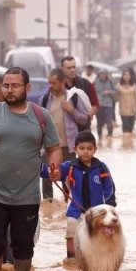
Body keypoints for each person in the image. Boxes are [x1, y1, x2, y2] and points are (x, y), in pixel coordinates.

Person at [0, 67, 62, 271]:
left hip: (27, 195)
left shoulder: (41, 116)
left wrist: (55, 167)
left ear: (27, 88)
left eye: (15, 86)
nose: (10, 90)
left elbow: (54, 148)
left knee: (23, 246)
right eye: (6, 86)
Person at [54, 130, 116, 263]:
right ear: (75, 149)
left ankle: (98, 259)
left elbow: (109, 187)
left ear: (95, 149)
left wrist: (110, 205)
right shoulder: (69, 167)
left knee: (99, 235)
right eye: (81, 148)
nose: (85, 151)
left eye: (89, 148)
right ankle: (71, 259)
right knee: (71, 234)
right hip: (75, 211)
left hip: (97, 213)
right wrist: (51, 172)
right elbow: (54, 173)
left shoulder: (101, 167)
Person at [40, 67, 88, 202]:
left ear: (62, 82)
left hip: (68, 146)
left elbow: (84, 119)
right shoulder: (44, 99)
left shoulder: (73, 97)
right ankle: (48, 209)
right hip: (49, 146)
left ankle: (69, 207)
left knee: (68, 180)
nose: (50, 86)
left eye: (53, 83)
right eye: (49, 82)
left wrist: (71, 110)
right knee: (46, 179)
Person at [60, 56, 99, 122]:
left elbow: (95, 104)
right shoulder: (58, 86)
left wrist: (88, 116)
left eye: (74, 67)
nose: (72, 70)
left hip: (83, 128)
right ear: (62, 69)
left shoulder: (86, 84)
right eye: (68, 68)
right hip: (65, 127)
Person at [116, 68, 136, 134]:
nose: (126, 77)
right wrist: (116, 92)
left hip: (133, 110)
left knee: (130, 129)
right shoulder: (119, 86)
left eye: (128, 75)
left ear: (130, 76)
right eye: (125, 75)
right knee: (125, 129)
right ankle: (125, 143)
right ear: (123, 76)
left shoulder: (134, 85)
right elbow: (116, 99)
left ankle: (129, 144)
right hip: (123, 111)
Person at [94, 70, 115, 140]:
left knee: (109, 121)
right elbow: (91, 91)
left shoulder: (110, 82)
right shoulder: (95, 82)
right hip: (98, 105)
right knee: (99, 123)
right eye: (101, 74)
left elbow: (115, 91)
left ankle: (110, 136)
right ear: (99, 75)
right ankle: (100, 138)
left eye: (103, 74)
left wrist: (109, 92)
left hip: (108, 105)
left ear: (106, 75)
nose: (102, 76)